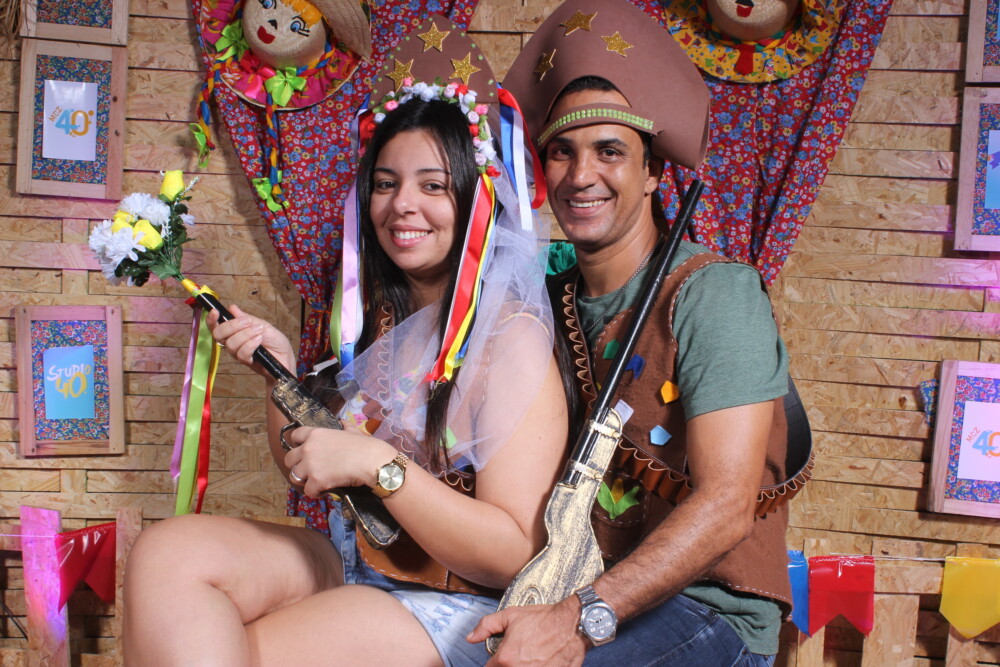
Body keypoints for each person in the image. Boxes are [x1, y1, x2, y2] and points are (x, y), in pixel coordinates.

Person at [123, 17, 568, 666]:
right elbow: (309, 465)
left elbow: (512, 553)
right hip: (355, 557)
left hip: (456, 595)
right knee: (166, 555)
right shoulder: (378, 318)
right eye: (386, 183)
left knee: (244, 650)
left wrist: (377, 465)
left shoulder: (510, 337)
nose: (402, 204)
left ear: (475, 197)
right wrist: (280, 372)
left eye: (432, 185)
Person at [468, 0, 812, 664]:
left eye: (609, 151)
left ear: (653, 172)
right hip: (570, 589)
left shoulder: (715, 293)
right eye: (562, 152)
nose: (581, 175)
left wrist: (578, 617)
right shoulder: (544, 298)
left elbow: (726, 506)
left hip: (709, 611)